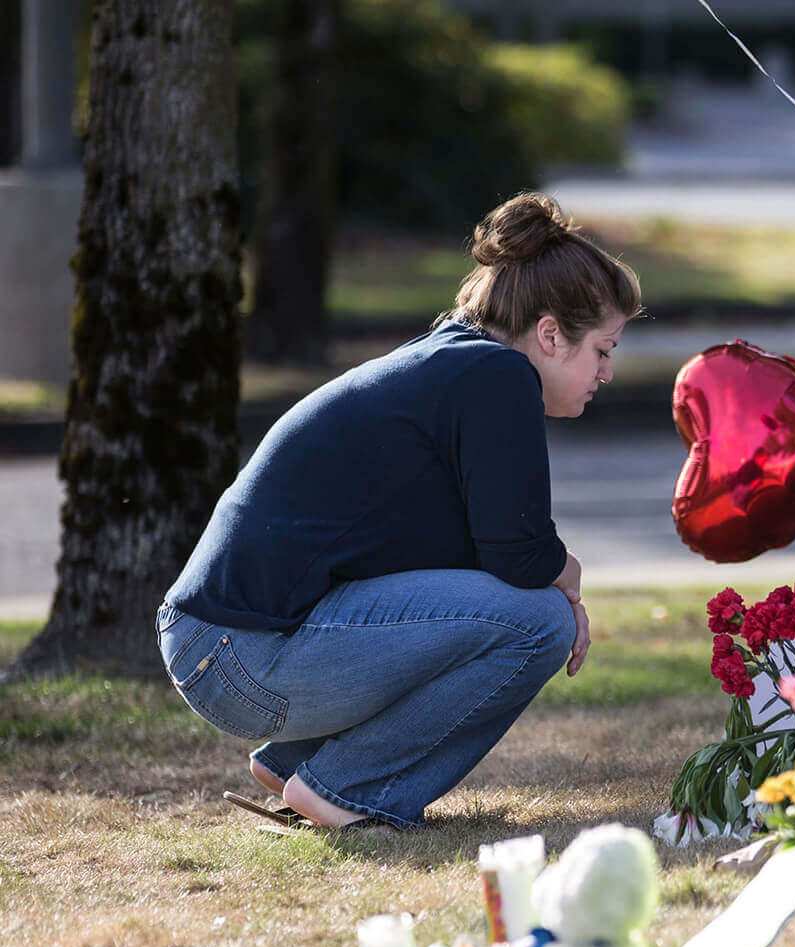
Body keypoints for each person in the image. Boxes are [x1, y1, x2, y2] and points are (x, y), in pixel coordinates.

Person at [157, 192, 641, 831]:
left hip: (215, 649)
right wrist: (570, 582)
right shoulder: (497, 377)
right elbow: (519, 556)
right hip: (240, 657)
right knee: (542, 622)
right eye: (603, 350)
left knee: (526, 609)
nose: (607, 372)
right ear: (549, 334)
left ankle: (301, 764)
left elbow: (477, 561)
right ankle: (348, 788)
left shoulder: (456, 361)